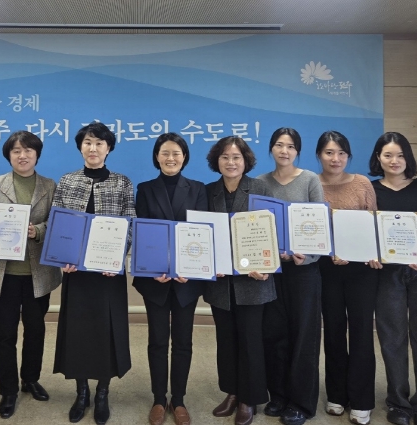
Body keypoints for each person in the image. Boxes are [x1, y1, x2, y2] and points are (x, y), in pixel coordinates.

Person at [52, 122, 136, 425]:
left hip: (107, 274)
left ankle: (102, 392)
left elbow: (130, 224)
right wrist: (62, 255)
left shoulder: (122, 182)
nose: (93, 148)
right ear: (80, 147)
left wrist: (115, 258)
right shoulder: (67, 180)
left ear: (108, 148)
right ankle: (81, 392)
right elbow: (57, 222)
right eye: (88, 142)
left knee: (106, 333)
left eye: (99, 143)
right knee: (78, 332)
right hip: (77, 272)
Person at [0, 130, 60, 419]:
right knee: (4, 333)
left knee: (35, 329)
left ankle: (30, 379)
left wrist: (37, 230)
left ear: (37, 154)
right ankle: (8, 390)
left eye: (28, 150)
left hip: (38, 273)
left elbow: (58, 223)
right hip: (2, 274)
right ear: (9, 155)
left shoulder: (50, 186)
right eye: (16, 151)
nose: (22, 155)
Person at [369, 132, 417, 425]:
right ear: (378, 158)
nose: (394, 161)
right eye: (388, 155)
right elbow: (367, 231)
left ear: (408, 157)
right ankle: (398, 403)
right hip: (388, 273)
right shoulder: (371, 190)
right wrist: (371, 252)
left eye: (400, 155)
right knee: (392, 338)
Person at [133, 133, 207, 425]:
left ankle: (179, 399)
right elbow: (142, 233)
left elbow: (202, 233)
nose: (170, 158)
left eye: (176, 153)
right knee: (157, 340)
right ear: (157, 157)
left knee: (184, 341)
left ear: (184, 157)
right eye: (165, 153)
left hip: (188, 279)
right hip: (156, 279)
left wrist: (193, 267)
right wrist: (154, 269)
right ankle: (157, 398)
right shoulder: (145, 189)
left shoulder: (198, 189)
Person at [204, 136, 276, 425]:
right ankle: (232, 392)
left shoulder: (261, 189)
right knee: (226, 339)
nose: (230, 162)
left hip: (253, 281)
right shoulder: (208, 192)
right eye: (225, 157)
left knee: (250, 340)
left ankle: (250, 398)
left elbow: (272, 231)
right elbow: (202, 234)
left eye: (236, 157)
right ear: (216, 161)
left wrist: (265, 264)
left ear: (246, 161)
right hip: (221, 283)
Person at [257, 127, 324, 425]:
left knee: (303, 336)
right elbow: (255, 226)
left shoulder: (310, 180)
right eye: (279, 145)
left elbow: (318, 227)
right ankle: (279, 396)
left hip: (303, 271)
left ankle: (301, 403)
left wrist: (305, 256)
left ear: (298, 151)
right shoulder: (259, 183)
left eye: (291, 146)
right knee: (274, 335)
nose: (284, 151)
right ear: (271, 149)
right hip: (272, 272)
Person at [315, 131, 378, 425]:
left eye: (341, 153)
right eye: (329, 152)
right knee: (334, 331)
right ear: (319, 155)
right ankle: (337, 394)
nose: (335, 158)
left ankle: (362, 399)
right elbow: (309, 230)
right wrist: (330, 252)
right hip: (327, 269)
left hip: (361, 271)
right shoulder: (311, 184)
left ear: (348, 156)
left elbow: (373, 224)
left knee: (362, 333)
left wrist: (372, 253)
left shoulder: (362, 183)